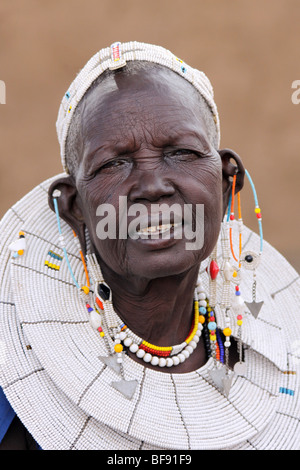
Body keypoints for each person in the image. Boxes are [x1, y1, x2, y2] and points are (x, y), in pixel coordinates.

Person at [0, 41, 299, 450]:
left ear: (227, 183)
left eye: (182, 152)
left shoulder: (288, 366)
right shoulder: (12, 394)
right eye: (113, 164)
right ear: (74, 207)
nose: (153, 186)